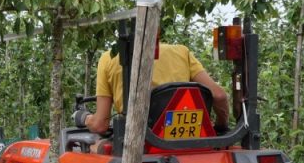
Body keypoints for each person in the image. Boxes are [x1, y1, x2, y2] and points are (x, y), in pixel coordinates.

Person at [84, 42, 230, 134]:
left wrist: (84, 118)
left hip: (140, 140)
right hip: (190, 138)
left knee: (94, 146)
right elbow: (219, 96)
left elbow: (100, 125)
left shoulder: (109, 58)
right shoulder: (181, 52)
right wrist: (221, 127)